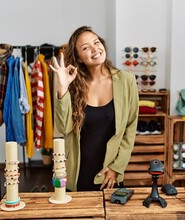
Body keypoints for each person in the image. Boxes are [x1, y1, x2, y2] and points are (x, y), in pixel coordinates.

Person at [50, 26, 139, 192]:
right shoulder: (74, 85)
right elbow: (63, 128)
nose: (94, 49)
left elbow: (130, 128)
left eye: (96, 42)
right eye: (85, 48)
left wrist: (117, 167)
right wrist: (63, 87)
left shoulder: (127, 81)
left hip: (108, 172)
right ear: (79, 58)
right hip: (77, 170)